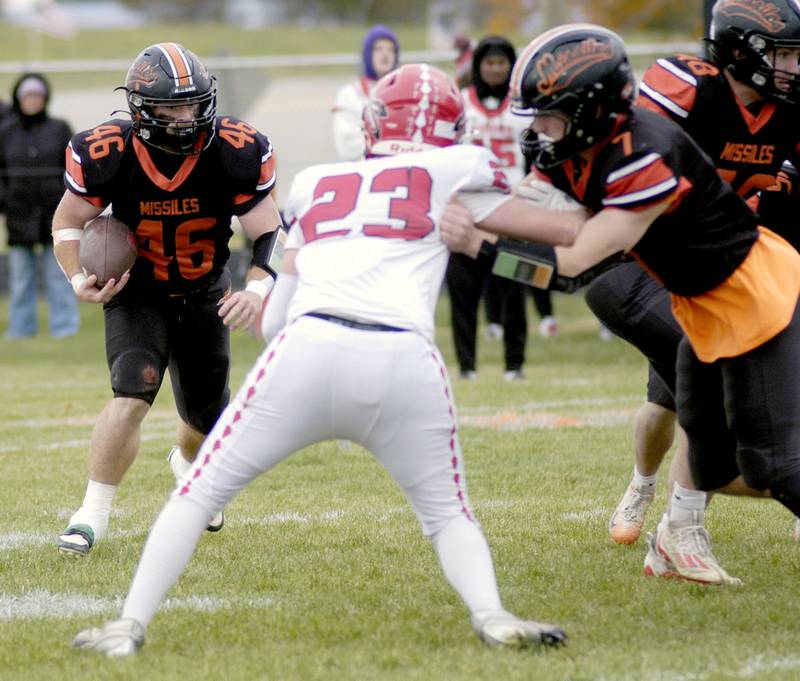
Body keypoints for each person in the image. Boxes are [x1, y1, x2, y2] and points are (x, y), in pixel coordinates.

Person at [69, 63, 583, 657]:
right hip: (403, 358)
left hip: (306, 349)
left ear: (372, 124)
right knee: (448, 514)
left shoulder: (317, 182)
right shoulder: (462, 166)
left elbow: (276, 321)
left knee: (197, 495)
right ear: (453, 128)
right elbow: (565, 245)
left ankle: (128, 625)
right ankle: (491, 614)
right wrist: (526, 226)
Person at [441, 23, 800, 586]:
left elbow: (571, 266)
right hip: (703, 311)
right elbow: (554, 218)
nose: (538, 129)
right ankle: (674, 542)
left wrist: (479, 248)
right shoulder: (582, 144)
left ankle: (684, 529)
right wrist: (454, 203)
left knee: (775, 465)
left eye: (548, 115)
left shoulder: (644, 155)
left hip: (758, 302)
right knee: (715, 462)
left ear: (588, 109)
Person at [590, 0, 800, 580]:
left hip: (711, 277)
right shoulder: (687, 88)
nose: (793, 69)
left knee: (684, 394)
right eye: (783, 55)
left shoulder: (788, 114)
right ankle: (674, 524)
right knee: (726, 375)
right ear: (741, 51)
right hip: (629, 266)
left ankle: (677, 531)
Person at [52, 42, 285, 557]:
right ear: (141, 108)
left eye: (193, 104)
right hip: (136, 292)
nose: (186, 118)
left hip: (205, 293)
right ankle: (91, 513)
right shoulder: (108, 151)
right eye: (172, 108)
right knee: (132, 393)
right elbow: (67, 223)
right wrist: (77, 277)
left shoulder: (234, 148)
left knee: (205, 422)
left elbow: (270, 231)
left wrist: (256, 289)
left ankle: (187, 466)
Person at [446, 36, 529, 381]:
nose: (495, 69)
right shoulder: (461, 102)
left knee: (514, 287)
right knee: (463, 292)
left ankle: (514, 366)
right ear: (477, 65)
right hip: (469, 209)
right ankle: (467, 367)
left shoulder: (522, 105)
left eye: (501, 62)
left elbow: (535, 156)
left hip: (510, 208)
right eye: (489, 62)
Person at [1, 73, 77, 339]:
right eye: (27, 96)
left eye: (37, 95)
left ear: (45, 98)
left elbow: (73, 170)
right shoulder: (5, 133)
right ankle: (21, 328)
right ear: (18, 99)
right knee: (21, 278)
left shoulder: (60, 129)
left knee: (58, 274)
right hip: (18, 216)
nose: (32, 100)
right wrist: (5, 201)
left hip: (54, 216)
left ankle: (64, 327)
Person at [331, 24, 399, 161]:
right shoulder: (349, 95)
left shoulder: (403, 95)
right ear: (368, 54)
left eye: (390, 50)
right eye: (378, 49)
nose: (385, 54)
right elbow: (347, 147)